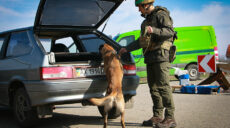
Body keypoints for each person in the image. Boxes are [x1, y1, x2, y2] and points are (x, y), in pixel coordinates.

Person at [119, 0, 177, 128]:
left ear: (146, 5)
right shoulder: (145, 22)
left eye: (139, 7)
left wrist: (154, 30)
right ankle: (157, 116)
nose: (138, 10)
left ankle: (170, 118)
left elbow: (169, 32)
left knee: (163, 86)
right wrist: (126, 48)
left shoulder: (161, 15)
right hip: (150, 57)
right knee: (154, 88)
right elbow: (141, 42)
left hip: (161, 56)